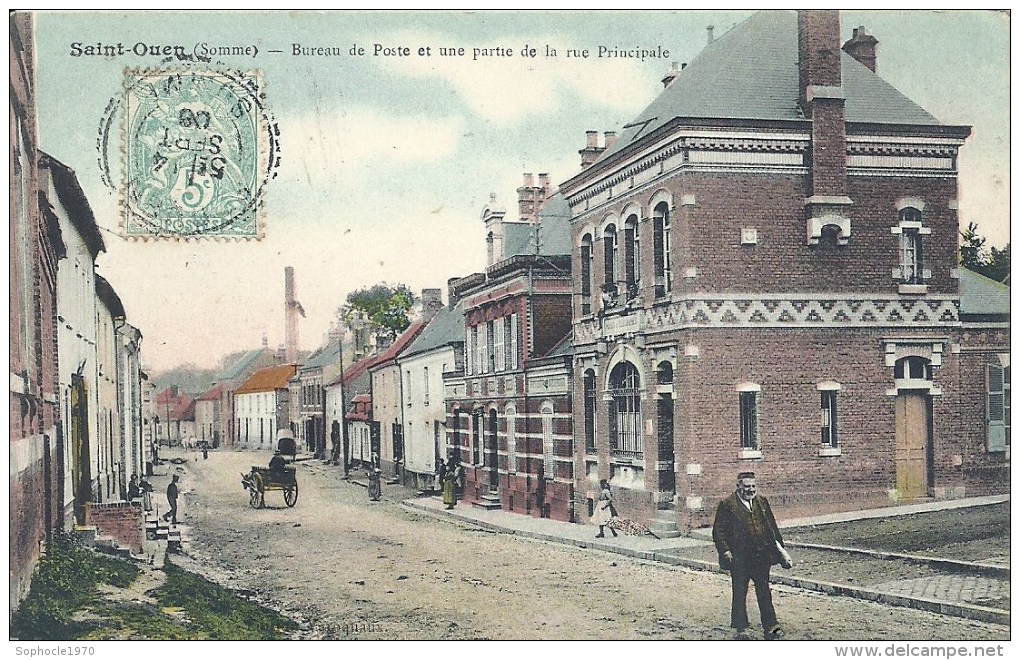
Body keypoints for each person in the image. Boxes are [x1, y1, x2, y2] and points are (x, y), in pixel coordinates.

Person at [712, 471, 793, 641]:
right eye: (747, 486)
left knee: (764, 591)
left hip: (761, 557)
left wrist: (781, 552)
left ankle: (771, 626)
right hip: (739, 558)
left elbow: (771, 527)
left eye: (753, 486)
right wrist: (725, 550)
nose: (751, 490)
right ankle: (741, 628)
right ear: (738, 486)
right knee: (740, 592)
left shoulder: (762, 502)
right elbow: (718, 531)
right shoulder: (727, 504)